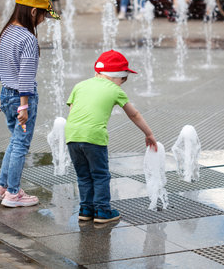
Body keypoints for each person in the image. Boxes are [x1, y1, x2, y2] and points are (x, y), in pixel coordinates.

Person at [65, 50, 158, 223]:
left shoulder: (80, 86)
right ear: (118, 76)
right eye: (123, 80)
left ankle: (85, 210)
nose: (122, 84)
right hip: (94, 137)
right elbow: (134, 114)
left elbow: (72, 112)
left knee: (83, 175)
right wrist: (149, 134)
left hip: (72, 136)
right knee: (100, 175)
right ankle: (102, 211)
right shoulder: (115, 89)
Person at [0, 0, 60, 207]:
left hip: (7, 93)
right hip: (22, 96)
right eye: (44, 15)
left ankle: (1, 186)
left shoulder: (7, 31)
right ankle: (13, 194)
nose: (44, 20)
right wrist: (24, 106)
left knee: (15, 141)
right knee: (21, 145)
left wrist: (3, 95)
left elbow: (4, 67)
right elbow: (26, 76)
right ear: (32, 12)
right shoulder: (28, 38)